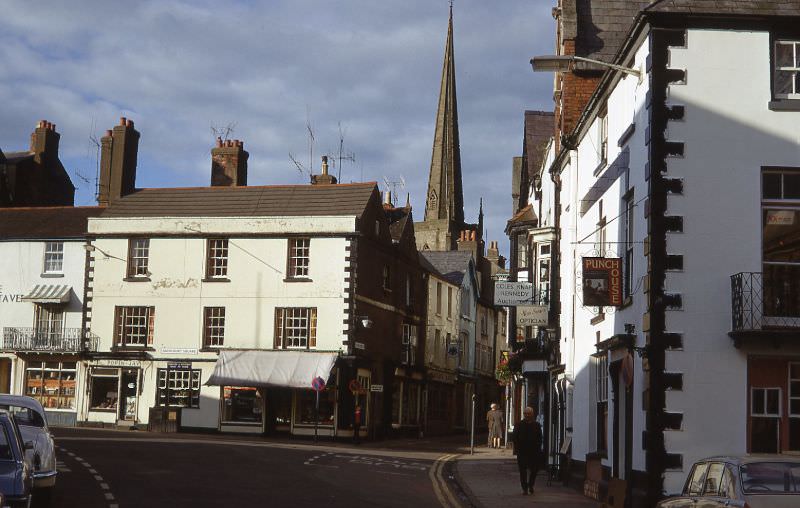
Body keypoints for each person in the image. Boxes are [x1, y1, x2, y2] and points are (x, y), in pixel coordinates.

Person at [512, 406, 543, 495]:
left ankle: (531, 484)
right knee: (523, 471)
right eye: (525, 413)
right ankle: (525, 488)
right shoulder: (519, 424)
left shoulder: (536, 425)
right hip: (522, 452)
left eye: (529, 413)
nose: (527, 415)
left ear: (532, 414)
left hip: (534, 452)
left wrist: (538, 448)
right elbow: (515, 437)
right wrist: (517, 449)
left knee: (534, 470)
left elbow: (540, 438)